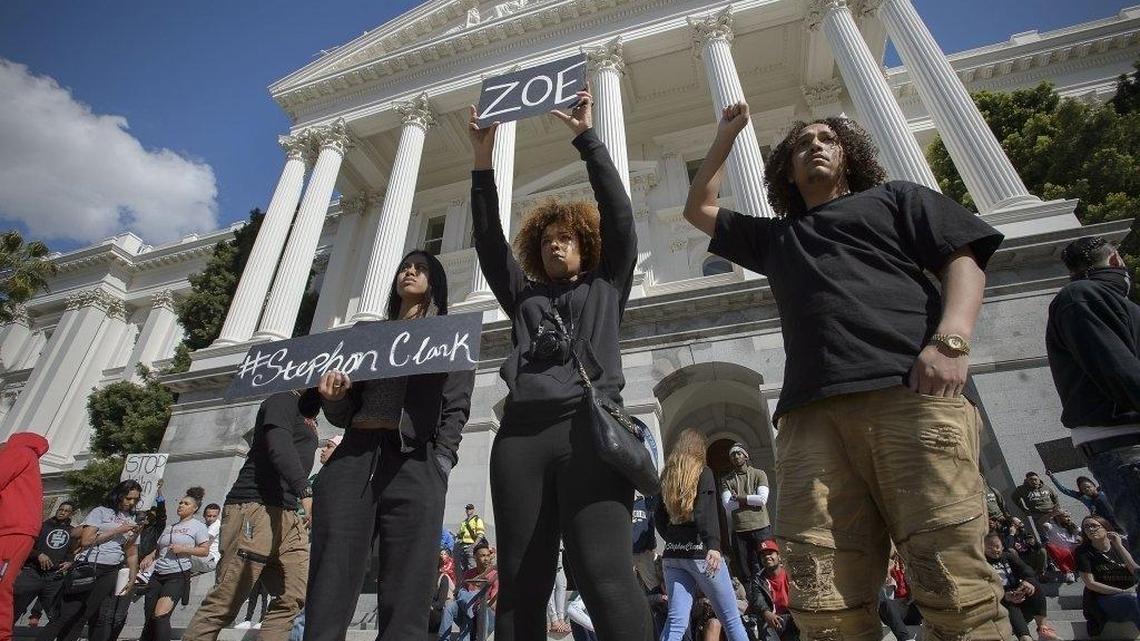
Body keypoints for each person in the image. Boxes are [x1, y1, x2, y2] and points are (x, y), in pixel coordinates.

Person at [684, 104, 1010, 639]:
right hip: (810, 419)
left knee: (954, 585)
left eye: (828, 138)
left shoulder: (896, 198)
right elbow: (699, 208)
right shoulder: (777, 238)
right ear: (787, 171)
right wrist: (725, 136)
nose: (815, 144)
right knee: (822, 599)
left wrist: (952, 340)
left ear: (848, 156)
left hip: (907, 393)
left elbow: (963, 258)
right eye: (801, 144)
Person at [466, 89, 652, 641]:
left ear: (585, 245)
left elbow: (620, 217)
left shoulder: (605, 285)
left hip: (590, 432)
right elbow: (486, 238)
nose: (555, 247)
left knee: (604, 575)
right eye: (547, 241)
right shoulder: (523, 297)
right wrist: (482, 161)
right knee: (522, 579)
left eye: (566, 239)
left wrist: (585, 139)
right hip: (522, 439)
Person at [307, 248, 474, 641]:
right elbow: (345, 414)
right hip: (355, 455)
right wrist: (333, 398)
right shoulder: (368, 335)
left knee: (409, 580)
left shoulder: (449, 336)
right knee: (333, 572)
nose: (409, 273)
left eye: (419, 269)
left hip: (416, 460)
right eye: (404, 268)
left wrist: (443, 459)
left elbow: (457, 404)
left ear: (435, 281)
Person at [181, 389, 320, 641]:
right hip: (255, 506)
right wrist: (305, 491)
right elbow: (279, 446)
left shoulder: (311, 414)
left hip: (288, 515)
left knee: (293, 597)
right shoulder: (282, 400)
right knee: (227, 599)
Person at [1045, 235, 1140, 552]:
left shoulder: (1097, 299)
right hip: (1123, 441)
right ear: (1116, 261)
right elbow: (1117, 369)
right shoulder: (1080, 298)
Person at [654, 429, 748, 641]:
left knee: (676, 622)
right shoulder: (702, 472)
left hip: (673, 556)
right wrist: (713, 544)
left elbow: (658, 516)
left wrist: (673, 538)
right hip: (702, 554)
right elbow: (705, 511)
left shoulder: (667, 475)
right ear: (699, 449)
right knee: (731, 619)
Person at [37, 479, 142, 641]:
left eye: (135, 499)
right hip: (88, 566)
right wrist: (117, 530)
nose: (131, 502)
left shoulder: (132, 518)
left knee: (84, 616)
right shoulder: (101, 512)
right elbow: (86, 540)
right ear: (119, 495)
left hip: (110, 570)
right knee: (66, 613)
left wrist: (133, 576)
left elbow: (132, 551)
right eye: (128, 498)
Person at [140, 488, 211, 641]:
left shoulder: (198, 526)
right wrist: (149, 556)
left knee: (160, 615)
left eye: (186, 503)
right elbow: (159, 549)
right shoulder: (170, 527)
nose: (181, 505)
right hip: (157, 575)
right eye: (180, 503)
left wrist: (184, 548)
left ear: (195, 508)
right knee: (150, 617)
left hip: (177, 575)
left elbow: (204, 551)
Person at [1, 432, 49, 641]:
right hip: (15, 530)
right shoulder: (28, 458)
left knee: (2, 585)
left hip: (11, 529)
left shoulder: (19, 452)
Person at [719, 443, 771, 605]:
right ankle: (755, 605)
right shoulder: (726, 480)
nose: (735, 456)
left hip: (762, 527)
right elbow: (727, 505)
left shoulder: (759, 474)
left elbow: (762, 500)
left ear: (746, 456)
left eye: (739, 453)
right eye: (733, 454)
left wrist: (739, 498)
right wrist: (750, 498)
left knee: (767, 565)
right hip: (740, 530)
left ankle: (771, 600)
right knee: (745, 571)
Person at [983, 532, 1059, 641]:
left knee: (1035, 586)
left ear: (1002, 545)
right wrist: (1005, 596)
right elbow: (984, 588)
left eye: (997, 546)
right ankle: (1025, 637)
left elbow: (1026, 570)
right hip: (1000, 600)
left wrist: (1026, 581)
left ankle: (1043, 629)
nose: (995, 550)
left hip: (1018, 593)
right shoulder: (982, 564)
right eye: (990, 548)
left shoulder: (1008, 556)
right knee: (1010, 606)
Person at [12, 501, 74, 628]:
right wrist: (38, 555)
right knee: (15, 606)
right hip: (33, 572)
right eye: (61, 509)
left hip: (54, 576)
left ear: (71, 514)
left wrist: (69, 562)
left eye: (66, 511)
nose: (62, 512)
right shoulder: (43, 526)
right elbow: (27, 545)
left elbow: (72, 551)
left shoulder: (71, 531)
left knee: (55, 613)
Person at [1075, 515, 1140, 633]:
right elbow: (1091, 584)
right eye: (1086, 527)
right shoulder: (1083, 552)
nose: (1090, 529)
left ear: (1106, 528)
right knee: (1133, 600)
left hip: (1131, 594)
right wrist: (1122, 592)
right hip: (1104, 600)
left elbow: (1136, 571)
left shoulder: (1123, 545)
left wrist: (1119, 546)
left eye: (1094, 526)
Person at [437, 541, 499, 641]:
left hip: (484, 614)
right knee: (450, 607)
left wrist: (478, 604)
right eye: (483, 556)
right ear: (475, 557)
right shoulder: (469, 573)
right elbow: (460, 595)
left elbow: (493, 604)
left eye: (488, 555)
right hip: (467, 611)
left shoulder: (494, 575)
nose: (486, 559)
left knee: (473, 603)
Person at [756, 540, 798, 641]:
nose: (767, 557)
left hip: (794, 616)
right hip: (774, 618)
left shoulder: (791, 573)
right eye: (763, 555)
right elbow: (758, 600)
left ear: (779, 556)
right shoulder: (758, 579)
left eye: (770, 553)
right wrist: (766, 612)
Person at [1045, 471, 1119, 527]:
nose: (1087, 489)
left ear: (1093, 485)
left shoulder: (1102, 491)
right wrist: (1052, 477)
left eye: (1088, 487)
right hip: (1103, 521)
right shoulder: (1083, 497)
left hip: (1116, 517)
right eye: (1083, 489)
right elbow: (1064, 490)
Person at [1011, 472, 1060, 537]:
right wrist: (1023, 509)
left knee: (1059, 533)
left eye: (1035, 479)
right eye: (1031, 480)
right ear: (1027, 481)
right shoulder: (1022, 489)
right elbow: (1014, 497)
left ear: (1039, 479)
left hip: (1052, 513)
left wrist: (1057, 507)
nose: (1034, 482)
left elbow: (1055, 497)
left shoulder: (1046, 487)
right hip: (1038, 514)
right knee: (1045, 535)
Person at [1040, 512, 1082, 582]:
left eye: (1069, 516)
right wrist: (1052, 513)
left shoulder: (1072, 527)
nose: (1069, 519)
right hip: (1061, 554)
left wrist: (1080, 538)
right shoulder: (1051, 526)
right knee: (1050, 546)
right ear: (1058, 518)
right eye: (1066, 516)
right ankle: (1068, 572)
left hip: (1073, 553)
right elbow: (1040, 522)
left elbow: (1081, 532)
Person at [429, 550, 456, 634]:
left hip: (434, 615)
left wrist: (429, 606)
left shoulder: (443, 578)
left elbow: (440, 603)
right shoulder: (422, 579)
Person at [457, 504, 486, 573]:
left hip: (471, 546)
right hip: (463, 547)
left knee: (471, 566)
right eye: (467, 509)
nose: (468, 510)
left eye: (470, 509)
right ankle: (465, 583)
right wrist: (458, 535)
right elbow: (460, 535)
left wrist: (473, 546)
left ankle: (473, 583)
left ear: (473, 510)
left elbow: (480, 534)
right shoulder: (464, 522)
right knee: (463, 568)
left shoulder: (477, 520)